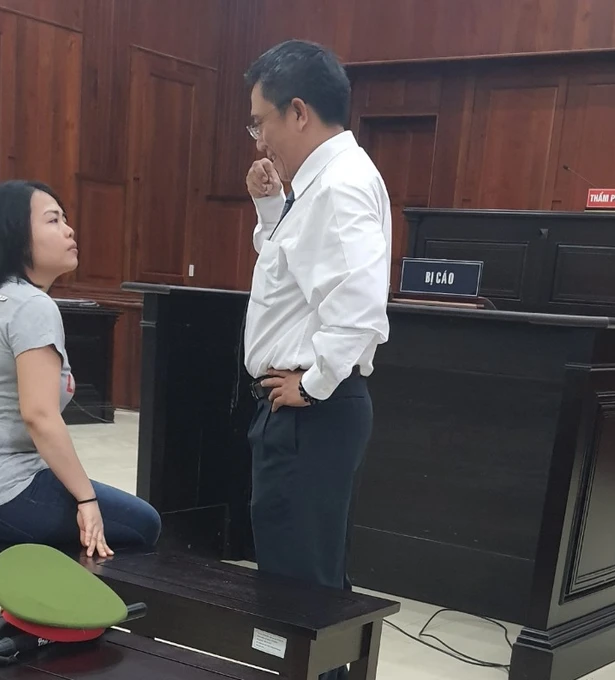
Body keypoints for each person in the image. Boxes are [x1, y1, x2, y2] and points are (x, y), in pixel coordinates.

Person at [242, 40, 392, 680]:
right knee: (305, 579)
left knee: (297, 592)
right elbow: (293, 276)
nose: (259, 140)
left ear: (298, 112)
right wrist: (270, 209)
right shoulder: (321, 185)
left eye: (262, 122)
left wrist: (317, 381)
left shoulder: (339, 186)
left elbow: (359, 301)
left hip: (309, 410)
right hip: (305, 409)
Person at [0, 180, 161, 558]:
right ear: (17, 237)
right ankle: (62, 596)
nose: (69, 230)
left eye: (65, 219)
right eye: (53, 220)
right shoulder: (31, 306)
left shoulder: (8, 297)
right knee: (143, 524)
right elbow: (39, 416)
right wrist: (86, 499)